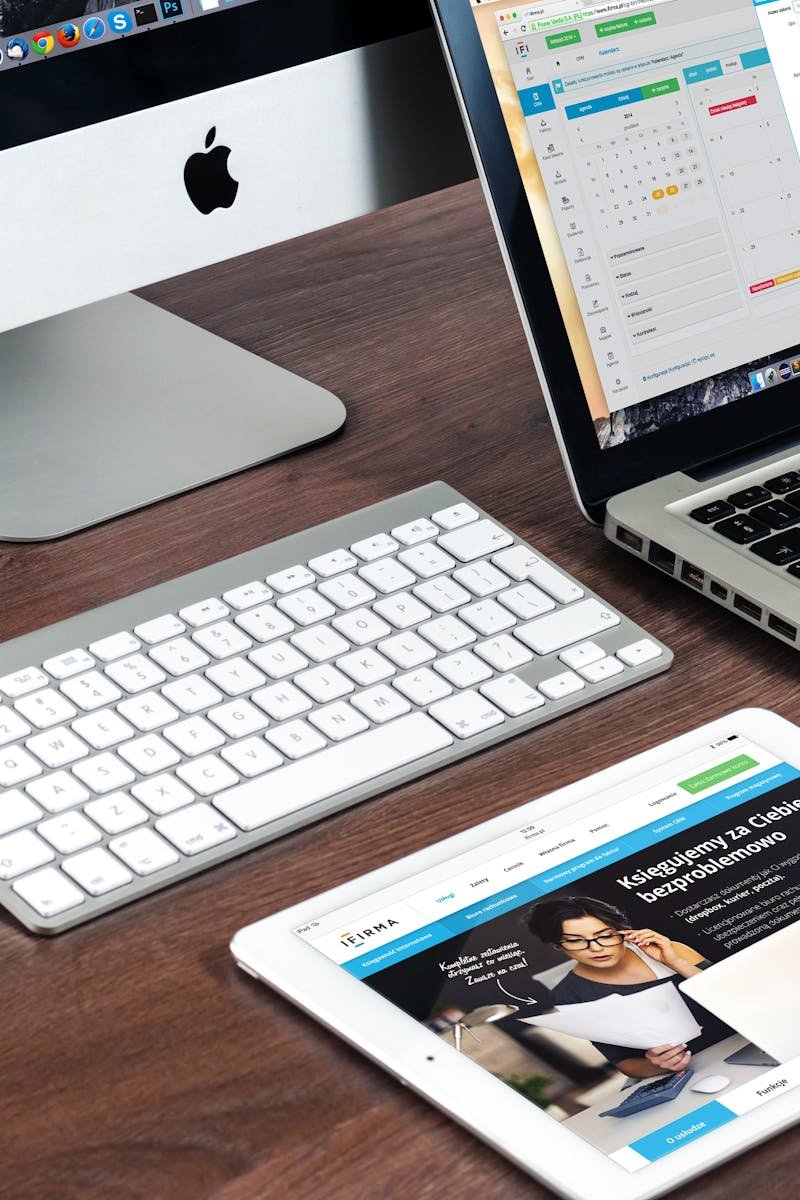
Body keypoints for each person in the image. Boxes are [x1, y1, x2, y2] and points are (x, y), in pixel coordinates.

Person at [526, 895, 733, 1078]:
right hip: (690, 1073)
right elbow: (624, 1062)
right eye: (575, 941)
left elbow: (738, 997)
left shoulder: (672, 950)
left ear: (621, 932)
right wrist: (657, 1065)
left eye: (605, 935)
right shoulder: (569, 994)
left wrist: (676, 963)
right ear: (557, 946)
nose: (597, 948)